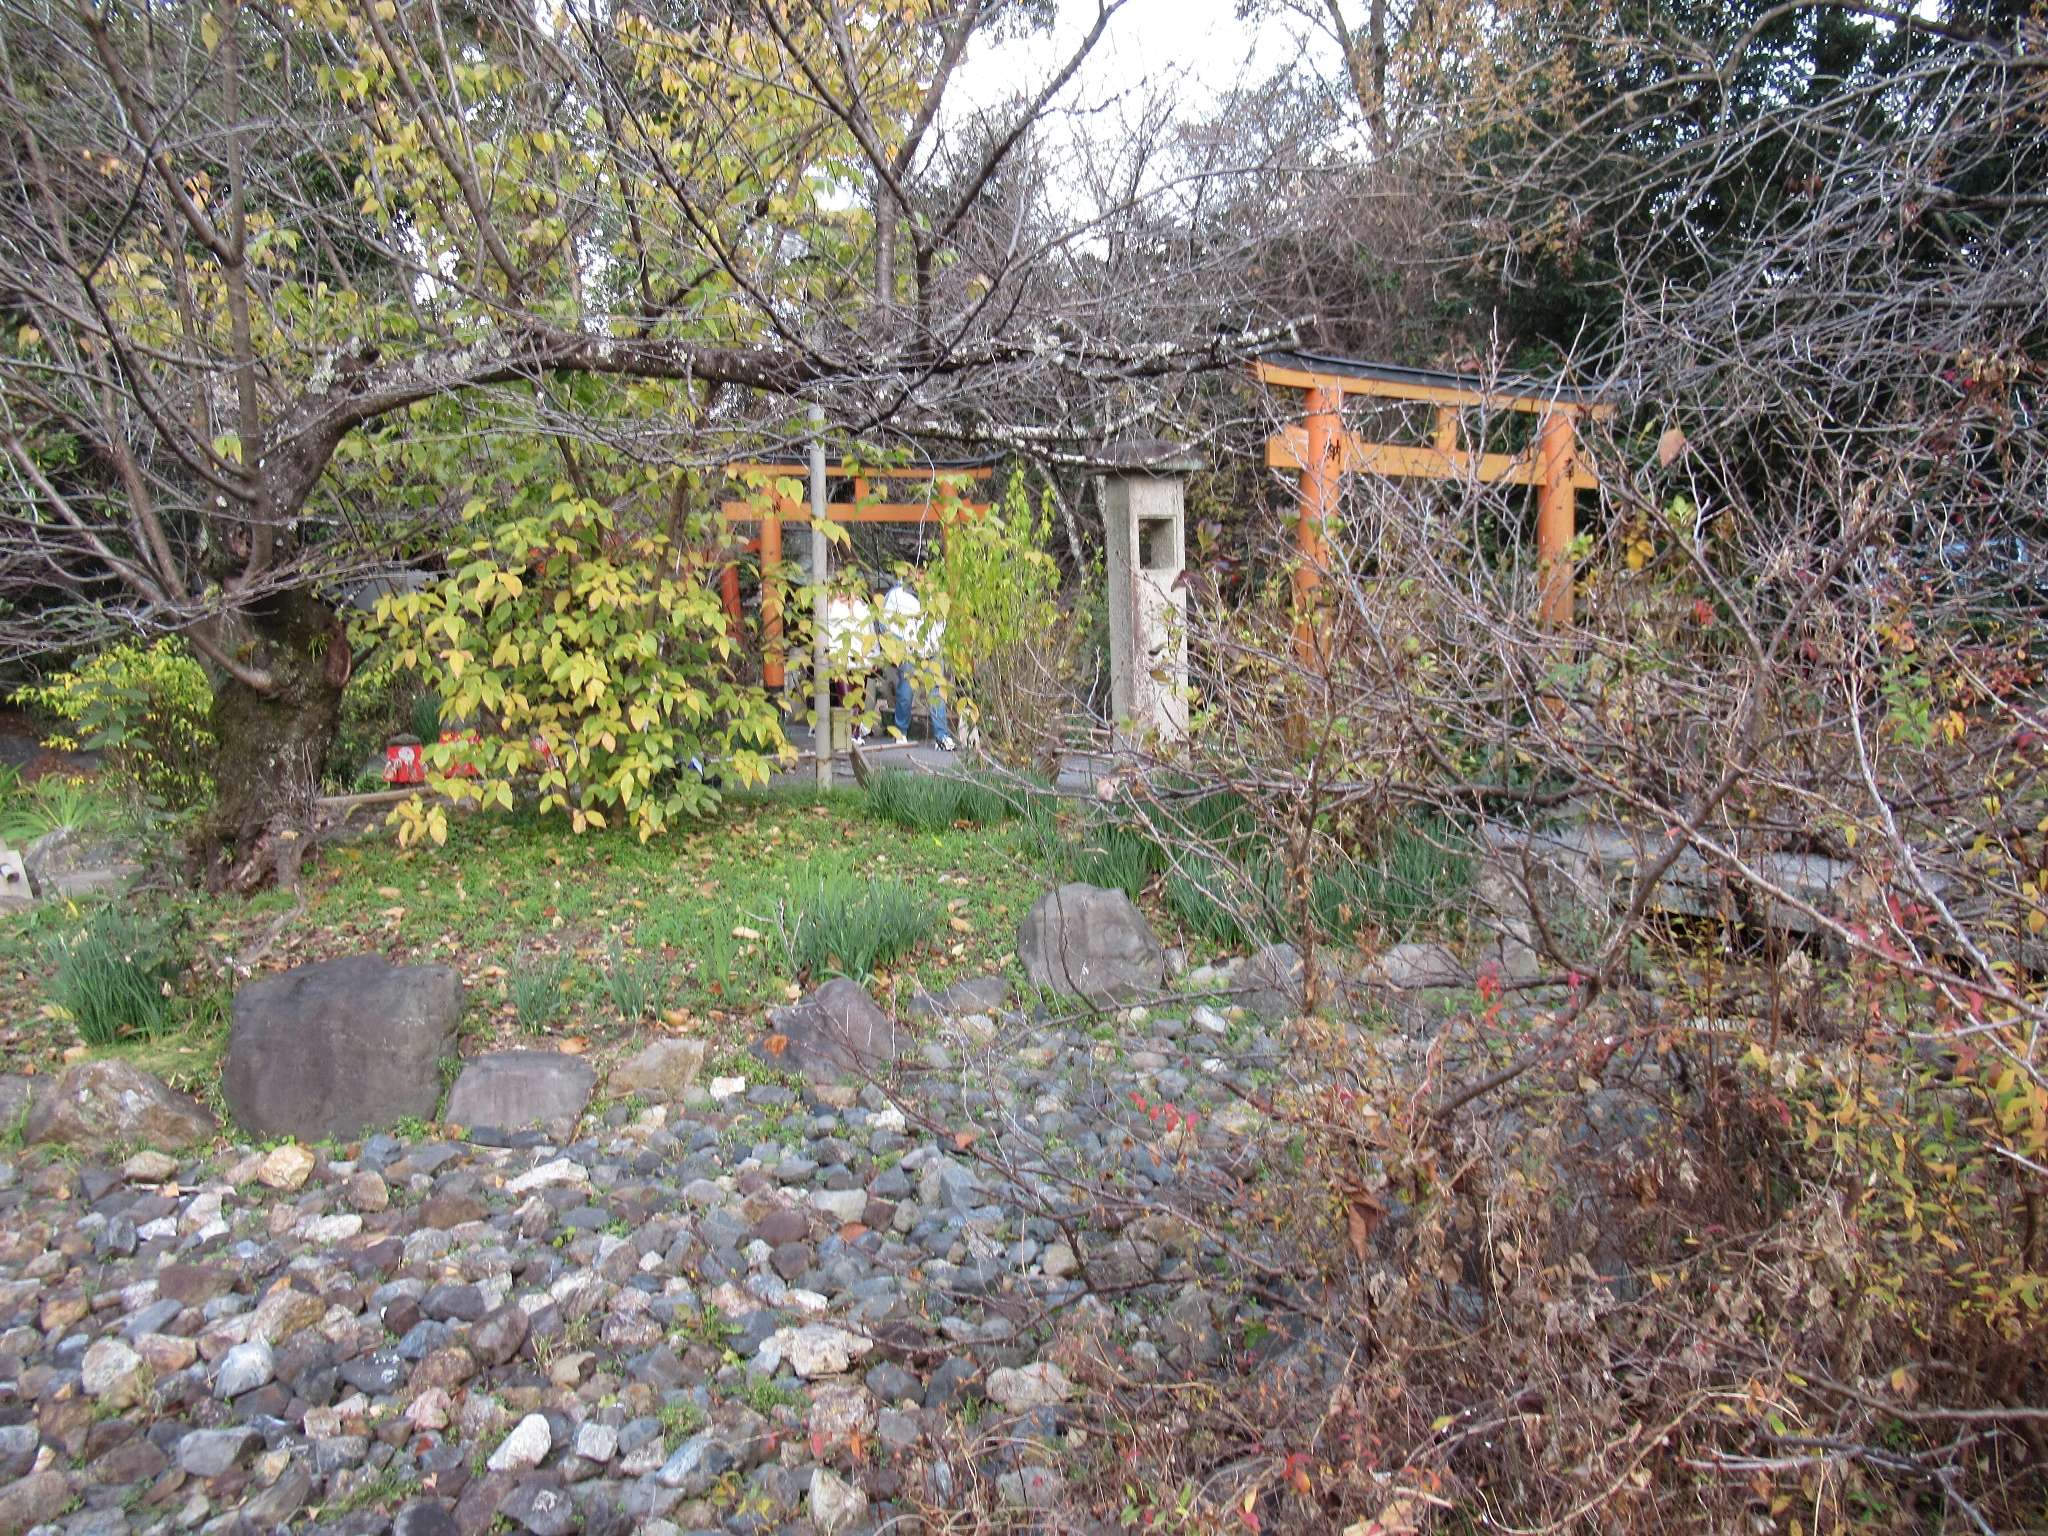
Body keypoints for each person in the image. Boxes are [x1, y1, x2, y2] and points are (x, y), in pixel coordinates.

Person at [878, 573, 953, 749]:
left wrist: (935, 644)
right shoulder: (897, 595)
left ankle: (942, 736)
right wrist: (898, 646)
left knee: (937, 693)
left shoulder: (935, 595)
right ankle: (900, 732)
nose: (921, 576)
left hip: (932, 651)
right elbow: (884, 622)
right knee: (905, 692)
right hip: (908, 651)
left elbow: (941, 621)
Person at [823, 587, 877, 743]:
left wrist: (873, 656)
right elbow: (826, 635)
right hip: (841, 659)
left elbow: (870, 633)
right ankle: (847, 737)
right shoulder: (829, 608)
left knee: (858, 699)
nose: (842, 592)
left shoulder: (862, 607)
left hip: (861, 659)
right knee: (845, 698)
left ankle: (854, 735)